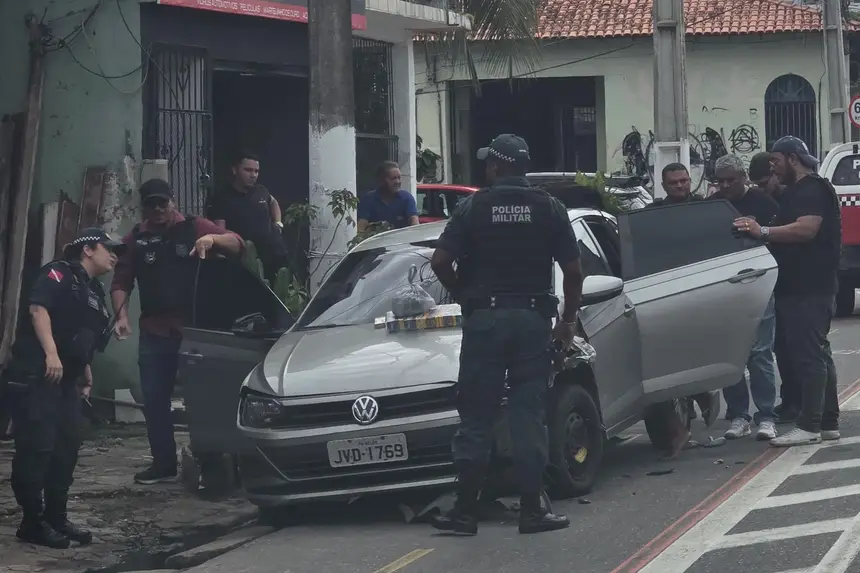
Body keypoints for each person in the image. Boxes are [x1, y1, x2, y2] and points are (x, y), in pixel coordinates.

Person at [429, 134, 583, 535]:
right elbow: (573, 272)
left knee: (476, 416)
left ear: (496, 166)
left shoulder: (472, 207)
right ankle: (532, 510)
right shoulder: (550, 208)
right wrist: (567, 323)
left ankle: (464, 512)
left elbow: (440, 260)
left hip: (485, 321)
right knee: (528, 415)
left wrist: (465, 292)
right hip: (532, 322)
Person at [111, 178, 243, 484]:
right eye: (151, 204)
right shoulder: (136, 239)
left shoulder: (195, 227)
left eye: (163, 203)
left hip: (194, 330)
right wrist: (121, 316)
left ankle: (211, 462)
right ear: (143, 208)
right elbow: (121, 281)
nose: (158, 209)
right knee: (155, 400)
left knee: (203, 400)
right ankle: (164, 463)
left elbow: (237, 244)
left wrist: (213, 241)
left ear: (173, 202)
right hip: (155, 330)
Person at [9, 228, 124, 548]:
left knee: (67, 446)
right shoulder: (58, 272)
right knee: (38, 447)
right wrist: (50, 353)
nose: (114, 255)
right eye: (108, 248)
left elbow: (80, 337)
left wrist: (84, 370)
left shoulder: (92, 290)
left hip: (67, 380)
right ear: (87, 250)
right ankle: (31, 521)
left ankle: (56, 517)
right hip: (39, 374)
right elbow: (38, 309)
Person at [733, 136, 841, 447]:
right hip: (802, 286)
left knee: (808, 357)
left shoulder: (811, 189)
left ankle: (809, 425)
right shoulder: (798, 191)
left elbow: (807, 228)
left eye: (776, 161)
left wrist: (763, 231)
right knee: (818, 353)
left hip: (810, 287)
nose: (773, 167)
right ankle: (827, 422)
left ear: (792, 158)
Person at [710, 154, 779, 441]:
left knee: (760, 353)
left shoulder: (764, 203)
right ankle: (739, 415)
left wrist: (757, 231)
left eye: (731, 180)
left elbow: (777, 238)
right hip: (725, 286)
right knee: (731, 353)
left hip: (759, 283)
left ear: (743, 178)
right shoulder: (713, 206)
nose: (725, 185)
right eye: (721, 181)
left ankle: (767, 415)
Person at [205, 151, 288, 281]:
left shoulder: (261, 190)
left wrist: (278, 223)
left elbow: (273, 202)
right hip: (246, 264)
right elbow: (219, 231)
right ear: (235, 170)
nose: (253, 175)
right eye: (248, 170)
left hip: (274, 257)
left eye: (256, 171)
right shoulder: (222, 198)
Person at [357, 161, 419, 232]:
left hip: (401, 241)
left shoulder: (407, 198)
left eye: (399, 178)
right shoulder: (368, 199)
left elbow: (415, 224)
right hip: (377, 241)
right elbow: (361, 228)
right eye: (393, 178)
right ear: (382, 180)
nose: (398, 182)